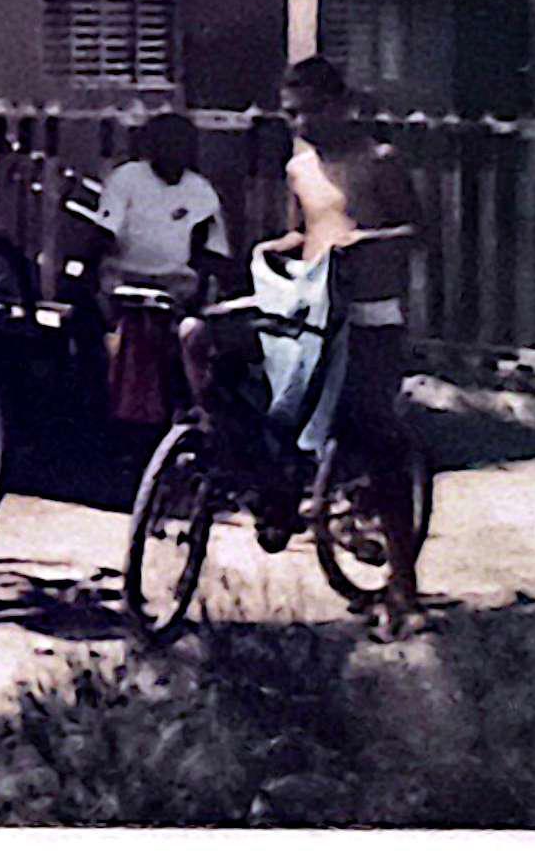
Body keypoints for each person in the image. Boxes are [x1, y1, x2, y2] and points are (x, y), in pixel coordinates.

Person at [177, 58, 426, 630]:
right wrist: (275, 248)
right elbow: (305, 232)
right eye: (292, 112)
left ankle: (405, 588)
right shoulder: (299, 168)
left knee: (373, 435)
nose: (303, 122)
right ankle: (253, 468)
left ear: (341, 105)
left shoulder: (378, 162)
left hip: (365, 314)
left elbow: (417, 233)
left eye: (313, 109)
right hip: (307, 306)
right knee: (198, 334)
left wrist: (367, 243)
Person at [80, 114, 237, 423]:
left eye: (182, 145)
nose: (174, 152)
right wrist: (84, 277)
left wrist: (209, 293)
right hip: (124, 281)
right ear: (150, 146)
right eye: (167, 144)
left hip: (175, 286)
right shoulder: (126, 178)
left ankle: (183, 410)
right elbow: (104, 234)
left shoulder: (200, 191)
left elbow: (210, 252)